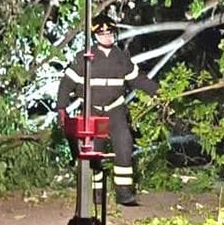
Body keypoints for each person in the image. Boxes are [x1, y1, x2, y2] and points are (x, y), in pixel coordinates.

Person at [56, 15, 159, 207]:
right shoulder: (84, 59)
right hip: (92, 110)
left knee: (124, 144)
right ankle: (96, 195)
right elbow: (66, 84)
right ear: (95, 36)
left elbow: (138, 79)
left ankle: (124, 193)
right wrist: (61, 109)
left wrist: (158, 91)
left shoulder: (122, 58)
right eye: (102, 34)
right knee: (94, 152)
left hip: (115, 109)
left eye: (110, 33)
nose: (107, 37)